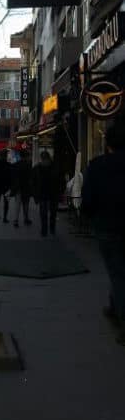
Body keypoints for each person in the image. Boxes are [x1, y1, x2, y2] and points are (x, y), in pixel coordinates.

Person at [81, 119, 125, 342]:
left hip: (107, 225)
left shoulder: (97, 166)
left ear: (108, 144)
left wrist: (89, 217)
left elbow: (88, 198)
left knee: (117, 271)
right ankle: (113, 305)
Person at [31, 150, 60, 236]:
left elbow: (59, 181)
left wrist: (60, 191)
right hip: (43, 194)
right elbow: (33, 183)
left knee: (52, 213)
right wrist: (35, 195)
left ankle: (51, 228)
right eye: (43, 159)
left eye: (46, 159)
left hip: (53, 194)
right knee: (44, 213)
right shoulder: (36, 169)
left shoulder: (54, 168)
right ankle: (45, 230)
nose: (45, 161)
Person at [10, 149, 32, 227]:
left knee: (17, 204)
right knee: (26, 204)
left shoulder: (15, 165)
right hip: (26, 187)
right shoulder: (28, 165)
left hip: (18, 187)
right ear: (26, 156)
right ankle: (26, 218)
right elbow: (30, 177)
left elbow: (13, 177)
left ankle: (16, 220)